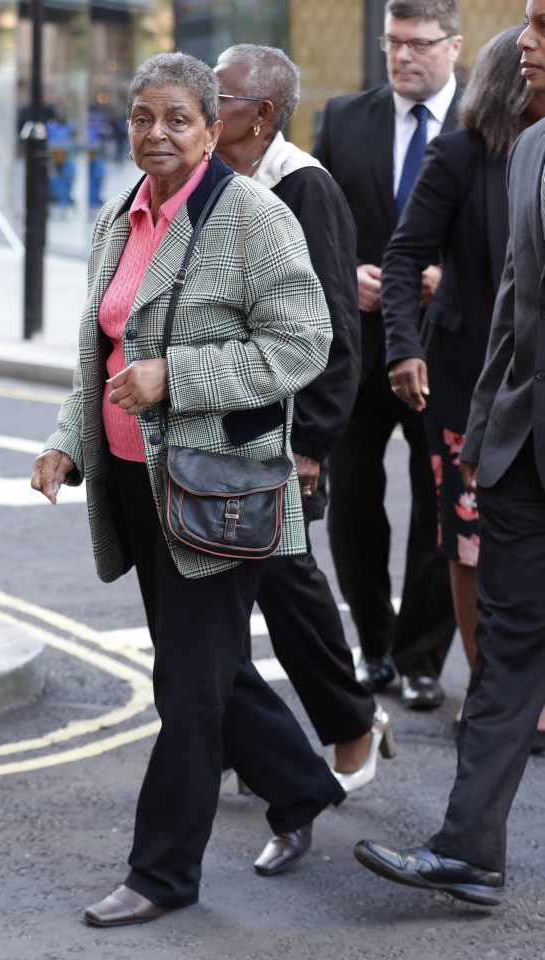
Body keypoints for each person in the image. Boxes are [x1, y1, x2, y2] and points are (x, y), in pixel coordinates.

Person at [31, 52, 344, 927]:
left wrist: (180, 376)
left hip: (220, 489)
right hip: (137, 481)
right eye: (140, 117)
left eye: (176, 118)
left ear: (214, 129)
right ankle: (302, 785)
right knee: (207, 668)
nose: (156, 134)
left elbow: (302, 344)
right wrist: (68, 443)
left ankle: (163, 873)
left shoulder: (255, 219)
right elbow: (98, 358)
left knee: (190, 689)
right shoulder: (116, 219)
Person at [352, 3, 545, 907]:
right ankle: (468, 848)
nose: (530, 43)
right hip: (505, 431)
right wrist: (484, 420)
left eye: (543, 24)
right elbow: (513, 307)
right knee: (503, 644)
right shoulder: (508, 156)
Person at [213, 43, 395, 792]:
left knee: (286, 586)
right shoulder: (214, 178)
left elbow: (332, 330)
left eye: (216, 93)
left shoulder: (304, 188)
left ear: (261, 114)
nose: (202, 98)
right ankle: (241, 741)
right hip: (219, 418)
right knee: (217, 588)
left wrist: (314, 444)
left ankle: (352, 726)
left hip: (282, 433)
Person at [380, 24, 545, 747]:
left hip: (529, 389)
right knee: (470, 542)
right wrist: (403, 349)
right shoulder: (459, 156)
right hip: (467, 385)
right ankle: (487, 689)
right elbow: (403, 257)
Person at [312, 0, 462, 710]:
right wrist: (348, 277)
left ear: (454, 47)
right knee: (354, 508)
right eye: (392, 42)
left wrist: (448, 279)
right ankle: (373, 647)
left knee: (438, 505)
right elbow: (313, 229)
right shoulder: (343, 119)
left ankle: (421, 658)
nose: (403, 56)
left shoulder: (489, 123)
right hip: (359, 350)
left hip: (445, 351)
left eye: (419, 44)